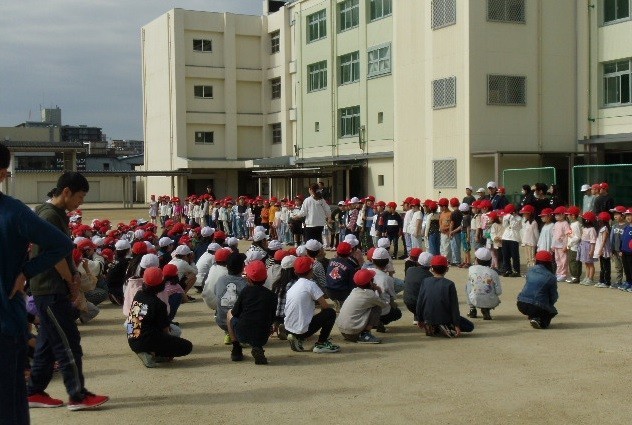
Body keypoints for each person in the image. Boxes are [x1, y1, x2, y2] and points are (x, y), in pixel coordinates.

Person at [0, 143, 77, 424]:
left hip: (5, 325)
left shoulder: (13, 212)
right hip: (8, 323)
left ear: (2, 173)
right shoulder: (13, 211)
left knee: (9, 405)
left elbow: (61, 244)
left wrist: (26, 272)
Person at [27, 171, 109, 410]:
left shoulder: (56, 214)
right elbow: (53, 255)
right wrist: (71, 281)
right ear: (66, 192)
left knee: (47, 343)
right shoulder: (49, 215)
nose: (80, 202)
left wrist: (72, 277)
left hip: (51, 287)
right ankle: (77, 395)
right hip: (49, 288)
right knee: (68, 342)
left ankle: (33, 391)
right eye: (80, 196)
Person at [127, 267, 193, 368]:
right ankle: (150, 353)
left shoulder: (139, 294)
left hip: (132, 339)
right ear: (161, 284)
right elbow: (165, 330)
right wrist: (169, 348)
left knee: (163, 334)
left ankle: (148, 351)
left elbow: (136, 319)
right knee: (187, 346)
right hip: (145, 341)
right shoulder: (159, 304)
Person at [284, 256, 340, 353]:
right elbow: (325, 306)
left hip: (288, 328)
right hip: (302, 331)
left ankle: (297, 338)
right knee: (330, 313)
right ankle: (321, 343)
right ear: (311, 271)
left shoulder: (293, 286)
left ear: (295, 272)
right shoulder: (311, 284)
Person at [226, 260, 276, 364]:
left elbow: (235, 312)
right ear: (266, 278)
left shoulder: (245, 291)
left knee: (229, 313)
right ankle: (258, 347)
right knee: (263, 322)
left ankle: (236, 349)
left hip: (242, 333)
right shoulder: (271, 295)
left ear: (248, 278)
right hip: (263, 336)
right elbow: (272, 318)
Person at [415, 255, 474, 338]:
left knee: (432, 316)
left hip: (427, 317)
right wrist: (456, 324)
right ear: (447, 269)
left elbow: (419, 302)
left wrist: (419, 319)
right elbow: (454, 306)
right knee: (470, 326)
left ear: (431, 268)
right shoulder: (449, 284)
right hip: (444, 318)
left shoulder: (425, 281)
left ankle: (432, 325)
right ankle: (445, 325)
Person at [337, 269, 389, 344]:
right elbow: (384, 304)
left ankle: (364, 332)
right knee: (377, 307)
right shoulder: (370, 294)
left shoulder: (354, 290)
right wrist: (380, 291)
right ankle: (365, 335)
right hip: (353, 333)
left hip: (344, 331)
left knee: (369, 307)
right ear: (370, 282)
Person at [517, 251, 559, 329]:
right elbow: (554, 296)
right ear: (549, 263)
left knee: (537, 304)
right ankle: (539, 320)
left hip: (521, 303)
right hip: (536, 305)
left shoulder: (530, 271)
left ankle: (533, 316)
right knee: (551, 311)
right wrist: (550, 305)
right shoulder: (551, 277)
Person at [214, 253, 248, 345]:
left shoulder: (220, 280)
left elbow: (216, 293)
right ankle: (239, 335)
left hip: (221, 322)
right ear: (243, 266)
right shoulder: (245, 284)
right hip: (237, 323)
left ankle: (228, 332)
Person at [465, 248, 502, 320]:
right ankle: (486, 309)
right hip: (491, 300)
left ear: (476, 259)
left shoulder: (471, 269)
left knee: (469, 284)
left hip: (474, 299)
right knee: (489, 286)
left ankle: (472, 309)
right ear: (490, 260)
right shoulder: (493, 272)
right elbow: (499, 291)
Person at [403, 252, 434, 318]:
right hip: (419, 305)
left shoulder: (410, 270)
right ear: (431, 265)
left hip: (407, 302)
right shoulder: (430, 276)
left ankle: (417, 317)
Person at [577, 212, 597, 286]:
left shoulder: (592, 229)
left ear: (587, 220)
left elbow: (593, 241)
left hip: (588, 247)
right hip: (583, 246)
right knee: (586, 263)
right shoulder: (584, 228)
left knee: (590, 264)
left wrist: (592, 250)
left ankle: (590, 278)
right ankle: (586, 277)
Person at [551, 206, 570, 282]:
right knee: (557, 259)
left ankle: (563, 274)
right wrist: (552, 245)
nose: (555, 216)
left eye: (557, 214)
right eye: (555, 215)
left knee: (563, 260)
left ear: (563, 214)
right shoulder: (556, 223)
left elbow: (567, 235)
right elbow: (554, 235)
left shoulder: (565, 223)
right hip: (556, 245)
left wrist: (566, 245)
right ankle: (558, 273)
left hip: (562, 245)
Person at [609, 206, 626, 289]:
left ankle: (628, 282)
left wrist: (623, 250)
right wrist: (611, 249)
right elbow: (612, 238)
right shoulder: (614, 226)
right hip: (615, 250)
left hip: (623, 251)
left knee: (626, 267)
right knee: (618, 267)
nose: (615, 216)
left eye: (617, 214)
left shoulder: (627, 226)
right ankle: (619, 282)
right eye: (614, 214)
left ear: (623, 215)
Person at [594, 212, 612, 288]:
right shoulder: (602, 228)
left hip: (604, 250)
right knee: (602, 267)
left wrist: (601, 249)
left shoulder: (605, 228)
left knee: (606, 267)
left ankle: (607, 282)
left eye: (599, 219)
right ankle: (601, 281)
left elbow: (604, 240)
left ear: (603, 220)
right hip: (602, 249)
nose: (598, 220)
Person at [565, 206, 582, 284]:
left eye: (569, 214)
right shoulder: (573, 224)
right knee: (572, 261)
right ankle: (574, 276)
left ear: (573, 215)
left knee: (574, 262)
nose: (567, 216)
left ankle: (575, 277)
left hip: (575, 246)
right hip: (572, 246)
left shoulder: (576, 224)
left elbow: (577, 237)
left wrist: (570, 244)